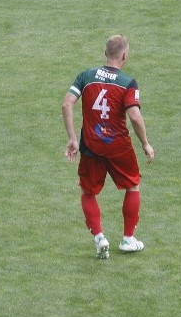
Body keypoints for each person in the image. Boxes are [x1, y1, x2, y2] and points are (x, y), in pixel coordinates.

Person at [62, 35, 155, 259]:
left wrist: (73, 138)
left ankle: (99, 237)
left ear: (105, 53)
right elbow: (134, 116)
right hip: (118, 147)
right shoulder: (128, 82)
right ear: (125, 56)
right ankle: (128, 239)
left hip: (91, 146)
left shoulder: (85, 76)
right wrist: (145, 143)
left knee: (88, 191)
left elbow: (67, 103)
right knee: (132, 186)